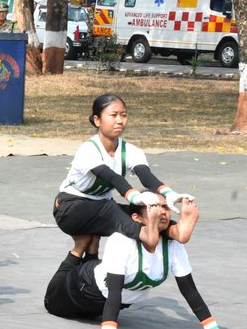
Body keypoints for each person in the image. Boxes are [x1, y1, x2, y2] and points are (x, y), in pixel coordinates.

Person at [44, 198, 238, 329]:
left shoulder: (173, 245)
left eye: (165, 207)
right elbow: (114, 289)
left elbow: (189, 290)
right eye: (154, 207)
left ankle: (91, 247)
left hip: (115, 303)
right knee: (51, 303)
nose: (162, 212)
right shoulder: (121, 241)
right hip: (82, 288)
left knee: (91, 312)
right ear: (136, 218)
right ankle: (79, 248)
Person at [54, 94, 194, 260]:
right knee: (109, 208)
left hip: (100, 209)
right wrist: (135, 197)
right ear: (97, 120)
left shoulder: (131, 150)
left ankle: (176, 231)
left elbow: (146, 176)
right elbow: (112, 178)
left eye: (124, 115)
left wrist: (169, 194)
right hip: (69, 209)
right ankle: (145, 235)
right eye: (113, 115)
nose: (119, 121)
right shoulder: (88, 150)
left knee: (143, 213)